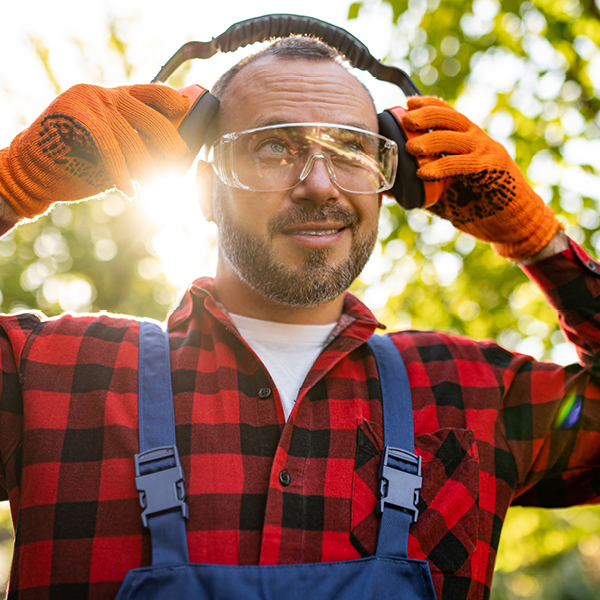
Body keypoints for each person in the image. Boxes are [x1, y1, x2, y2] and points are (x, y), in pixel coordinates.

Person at [0, 34, 597, 600]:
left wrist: (535, 241)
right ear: (205, 190)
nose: (319, 184)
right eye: (275, 145)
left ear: (391, 181)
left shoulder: (471, 391)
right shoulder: (50, 374)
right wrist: (11, 186)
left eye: (351, 149)